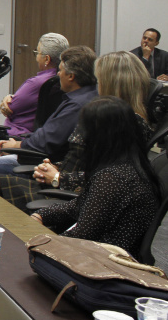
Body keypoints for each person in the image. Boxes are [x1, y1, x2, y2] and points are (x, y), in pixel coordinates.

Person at [0, 51, 153, 212]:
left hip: (71, 197)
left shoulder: (121, 126)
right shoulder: (112, 117)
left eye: (99, 81)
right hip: (61, 183)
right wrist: (53, 167)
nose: (96, 88)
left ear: (111, 84)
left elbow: (104, 180)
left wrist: (58, 178)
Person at [31, 96, 160, 259]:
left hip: (103, 263)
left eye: (86, 130)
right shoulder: (126, 166)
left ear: (102, 135)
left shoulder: (113, 178)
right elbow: (79, 205)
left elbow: (82, 236)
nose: (82, 137)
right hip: (101, 256)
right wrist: (42, 214)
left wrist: (40, 242)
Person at [0, 46, 98, 175]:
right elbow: (46, 134)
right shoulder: (83, 96)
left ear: (71, 76)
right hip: (29, 147)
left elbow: (47, 141)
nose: (58, 74)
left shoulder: (76, 105)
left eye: (60, 71)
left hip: (36, 160)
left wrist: (16, 145)